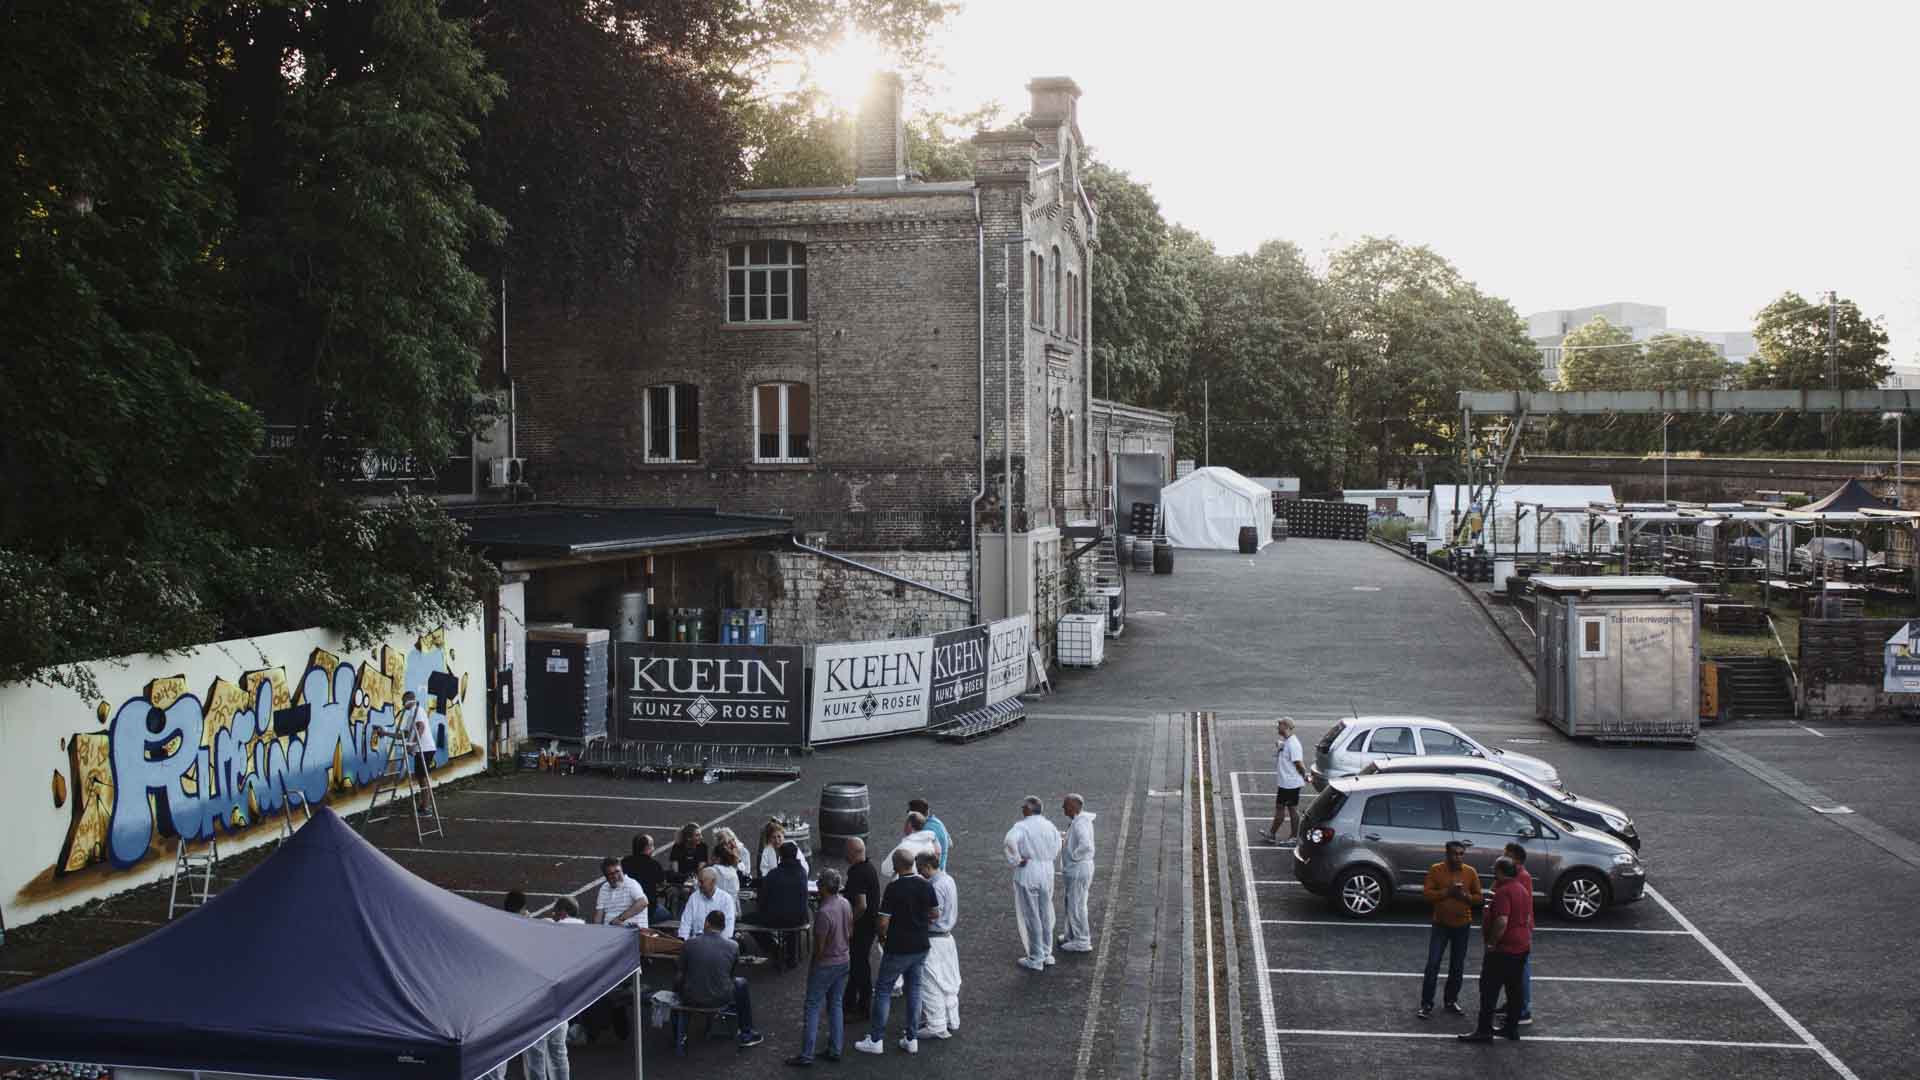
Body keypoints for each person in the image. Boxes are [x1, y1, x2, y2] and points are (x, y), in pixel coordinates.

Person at [853, 849, 938, 1056]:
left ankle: (876, 1039)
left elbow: (882, 922)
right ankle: (911, 1038)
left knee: (883, 990)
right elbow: (934, 913)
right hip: (920, 946)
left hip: (898, 948)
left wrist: (883, 938)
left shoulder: (893, 888)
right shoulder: (926, 886)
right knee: (914, 990)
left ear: (897, 866)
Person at [1458, 856, 1531, 1044]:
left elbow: (1501, 921)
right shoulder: (1521, 889)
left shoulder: (1504, 891)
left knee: (1489, 990)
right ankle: (1511, 1029)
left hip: (1504, 949)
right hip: (1521, 946)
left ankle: (1484, 1030)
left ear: (1500, 871)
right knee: (1514, 990)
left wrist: (1491, 943)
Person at [786, 868, 852, 1067]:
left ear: (822, 887)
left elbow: (819, 948)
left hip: (826, 965)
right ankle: (835, 1049)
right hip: (844, 960)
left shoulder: (823, 913)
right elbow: (850, 932)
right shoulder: (845, 903)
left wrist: (814, 967)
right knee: (836, 1004)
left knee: (813, 1007)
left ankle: (806, 1054)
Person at [677, 910, 765, 1053]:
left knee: (683, 980)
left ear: (706, 923)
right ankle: (746, 1032)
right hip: (720, 997)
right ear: (723, 928)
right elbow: (731, 973)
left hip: (691, 996)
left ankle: (679, 1033)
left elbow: (681, 971)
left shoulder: (689, 944)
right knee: (741, 983)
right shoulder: (733, 946)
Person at [1418, 840, 1481, 1019]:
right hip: (1441, 925)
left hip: (1462, 925)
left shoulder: (1470, 872)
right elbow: (1427, 894)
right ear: (1447, 854)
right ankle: (1426, 1004)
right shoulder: (1436, 869)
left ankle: (1451, 1001)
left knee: (1457, 966)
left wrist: (1464, 896)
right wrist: (1447, 892)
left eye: (1461, 854)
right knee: (1432, 964)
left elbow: (1478, 898)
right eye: (1455, 854)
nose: (1458, 857)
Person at [1004, 795, 1061, 971]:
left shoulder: (1021, 826)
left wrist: (1016, 859)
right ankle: (1046, 952)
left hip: (1029, 869)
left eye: (1023, 807)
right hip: (1047, 869)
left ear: (1028, 809)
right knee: (1045, 911)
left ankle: (1035, 957)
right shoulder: (1049, 825)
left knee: (1031, 914)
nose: (1022, 809)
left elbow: (1009, 841)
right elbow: (1058, 843)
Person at [914, 851, 962, 1040]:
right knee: (948, 981)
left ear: (927, 866)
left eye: (920, 869)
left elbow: (934, 914)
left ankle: (936, 1024)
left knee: (930, 982)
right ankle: (951, 1019)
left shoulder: (934, 886)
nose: (919, 873)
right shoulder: (948, 880)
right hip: (947, 938)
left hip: (934, 939)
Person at [1493, 843, 1535, 1026]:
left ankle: (1523, 1010)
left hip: (1517, 932)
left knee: (1520, 973)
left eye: (1507, 855)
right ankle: (1513, 1004)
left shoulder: (1521, 877)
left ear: (1516, 859)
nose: (1503, 857)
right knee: (1513, 972)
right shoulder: (1516, 874)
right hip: (1517, 930)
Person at [842, 837, 881, 1019]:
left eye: (846, 851)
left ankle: (863, 1006)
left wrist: (849, 923)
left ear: (854, 852)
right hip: (869, 925)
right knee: (859, 962)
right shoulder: (869, 868)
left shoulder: (858, 873)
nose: (844, 854)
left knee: (859, 964)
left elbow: (861, 905)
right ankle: (849, 1001)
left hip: (862, 926)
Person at [757, 841, 812, 968]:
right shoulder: (802, 873)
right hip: (800, 919)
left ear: (780, 857)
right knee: (791, 914)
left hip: (776, 919)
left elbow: (763, 900)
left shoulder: (773, 875)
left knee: (747, 920)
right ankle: (791, 956)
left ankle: (775, 949)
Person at [1058, 793, 1096, 953]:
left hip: (1078, 869)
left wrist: (1074, 857)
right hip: (1079, 869)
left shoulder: (1080, 824)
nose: (1063, 808)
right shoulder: (1079, 821)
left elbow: (1086, 845)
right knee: (1072, 903)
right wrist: (1065, 838)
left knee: (1077, 905)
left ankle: (1082, 941)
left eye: (1065, 805)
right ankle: (1071, 934)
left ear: (1073, 806)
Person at [1263, 716, 1308, 845]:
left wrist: (1305, 775)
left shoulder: (1293, 744)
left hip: (1290, 784)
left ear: (1287, 727)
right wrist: (1280, 744)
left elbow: (1299, 763)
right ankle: (1272, 834)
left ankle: (1292, 837)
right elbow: (1287, 749)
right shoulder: (1288, 742)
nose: (1277, 727)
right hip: (1285, 783)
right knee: (1281, 807)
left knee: (1291, 809)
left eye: (1280, 725)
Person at [678, 866, 739, 941]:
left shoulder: (726, 899)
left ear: (713, 882)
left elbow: (728, 930)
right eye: (698, 881)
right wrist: (683, 942)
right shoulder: (694, 897)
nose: (698, 885)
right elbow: (685, 923)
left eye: (702, 882)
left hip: (718, 944)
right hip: (697, 943)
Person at [623, 834, 670, 924]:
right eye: (652, 845)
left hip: (626, 908)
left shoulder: (625, 862)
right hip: (648, 911)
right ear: (647, 848)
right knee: (667, 915)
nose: (654, 848)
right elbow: (662, 886)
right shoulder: (654, 865)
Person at [593, 857, 649, 928]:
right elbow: (599, 915)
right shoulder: (604, 888)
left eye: (617, 872)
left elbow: (643, 902)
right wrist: (595, 930)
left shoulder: (631, 883)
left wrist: (620, 919)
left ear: (622, 870)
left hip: (633, 932)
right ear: (606, 876)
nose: (616, 876)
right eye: (611, 874)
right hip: (611, 932)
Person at [909, 798, 952, 870]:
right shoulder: (937, 822)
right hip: (940, 870)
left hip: (929, 874)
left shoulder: (924, 830)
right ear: (928, 811)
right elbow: (950, 843)